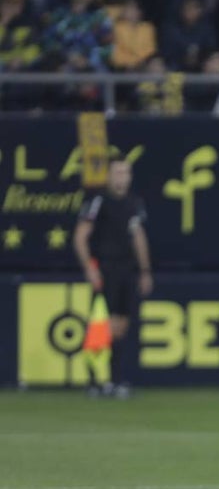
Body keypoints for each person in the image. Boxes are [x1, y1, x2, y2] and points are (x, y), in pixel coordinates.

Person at [72, 153, 153, 398]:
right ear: (108, 175)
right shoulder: (98, 201)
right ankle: (95, 380)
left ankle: (115, 380)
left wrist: (145, 270)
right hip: (105, 268)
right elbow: (80, 237)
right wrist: (90, 267)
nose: (122, 178)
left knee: (121, 326)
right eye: (117, 172)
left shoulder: (134, 203)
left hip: (127, 270)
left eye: (126, 173)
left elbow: (138, 237)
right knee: (100, 325)